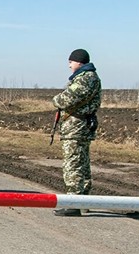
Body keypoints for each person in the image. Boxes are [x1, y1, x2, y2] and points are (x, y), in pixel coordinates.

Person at [52, 48, 102, 216]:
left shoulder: (86, 78)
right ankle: (83, 202)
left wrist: (56, 99)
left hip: (77, 127)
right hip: (78, 126)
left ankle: (74, 202)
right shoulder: (86, 77)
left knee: (73, 163)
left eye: (70, 62)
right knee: (81, 163)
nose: (69, 65)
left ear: (79, 62)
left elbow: (65, 99)